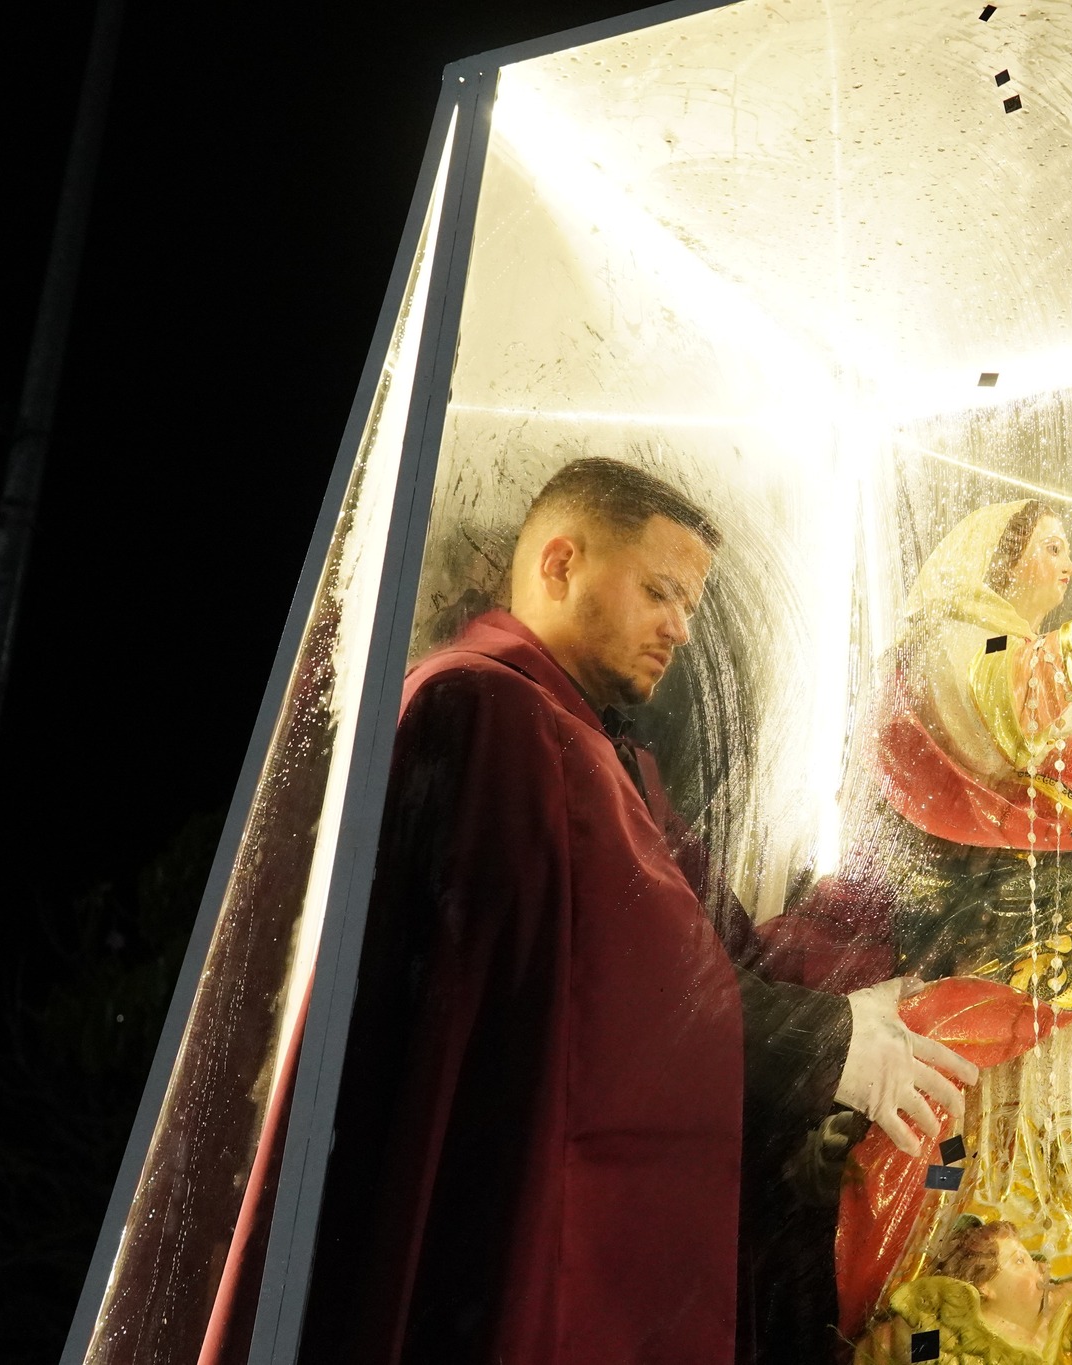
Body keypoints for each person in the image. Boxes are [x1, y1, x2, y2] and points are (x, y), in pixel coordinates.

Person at [297, 458, 975, 1364]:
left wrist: (874, 950)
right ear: (559, 563)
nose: (681, 628)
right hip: (500, 1222)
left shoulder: (601, 751)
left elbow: (720, 948)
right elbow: (615, 990)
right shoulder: (484, 709)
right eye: (660, 591)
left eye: (690, 603)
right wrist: (831, 1042)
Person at [825, 499, 1072, 1335]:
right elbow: (1006, 709)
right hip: (1011, 905)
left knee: (1066, 1070)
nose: (1066, 565)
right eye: (1051, 547)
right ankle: (990, 1221)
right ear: (1002, 559)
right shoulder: (972, 635)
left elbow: (1070, 747)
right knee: (996, 1073)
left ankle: (1060, 1198)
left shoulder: (1013, 642)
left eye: (1066, 549)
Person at [853, 1223, 1072, 1365]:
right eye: (1019, 1261)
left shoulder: (1054, 1329)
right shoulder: (950, 1333)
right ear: (985, 1287)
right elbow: (897, 1347)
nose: (1040, 1269)